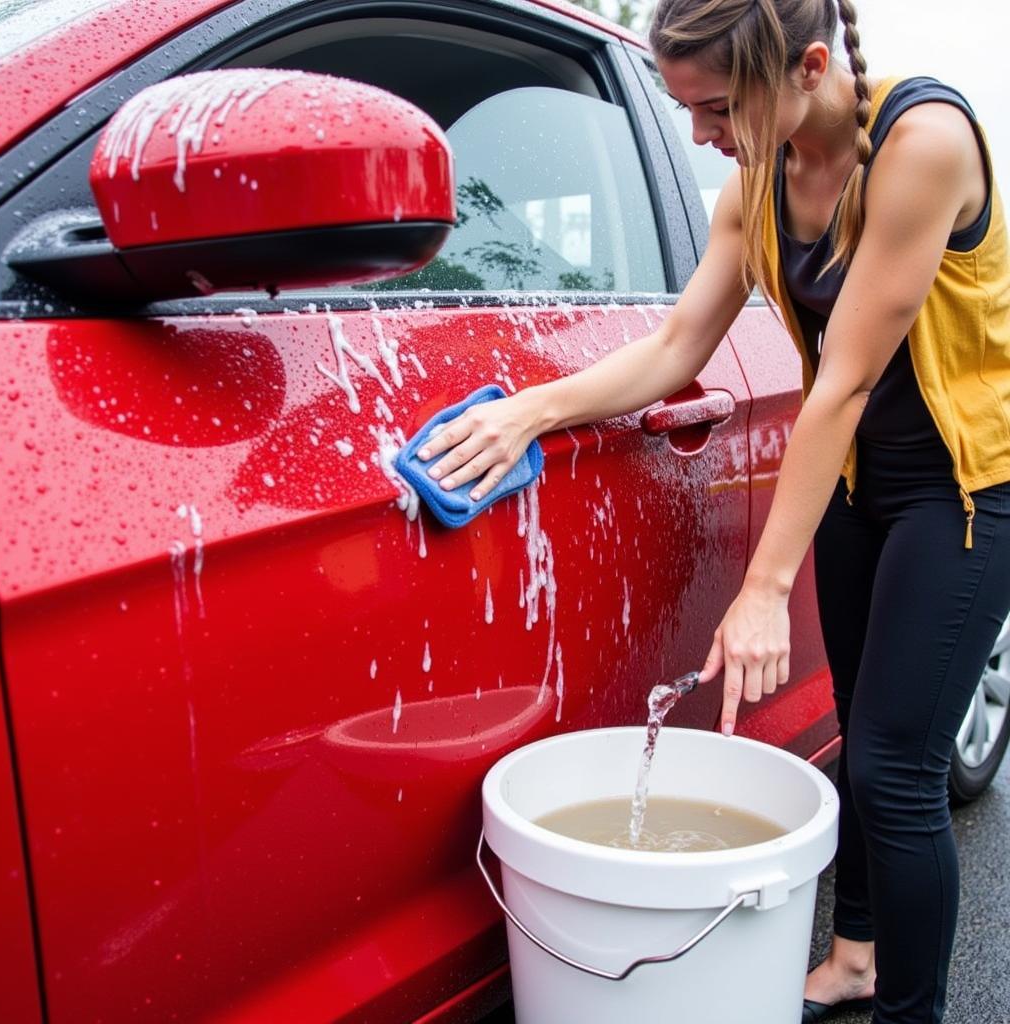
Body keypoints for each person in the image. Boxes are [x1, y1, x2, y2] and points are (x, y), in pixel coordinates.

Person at [412, 1, 1010, 1021]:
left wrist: (764, 589)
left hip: (962, 489)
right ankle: (855, 954)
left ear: (809, 65)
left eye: (715, 106)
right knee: (867, 726)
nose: (699, 136)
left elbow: (842, 385)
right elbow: (677, 346)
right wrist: (531, 413)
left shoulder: (924, 142)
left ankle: (913, 1010)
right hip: (860, 485)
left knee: (891, 766)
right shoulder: (754, 188)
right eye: (684, 108)